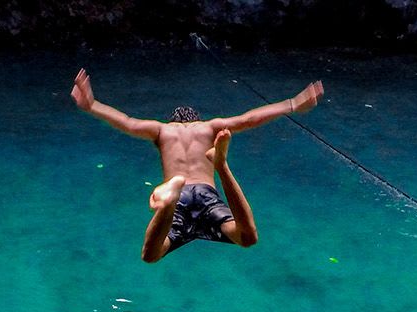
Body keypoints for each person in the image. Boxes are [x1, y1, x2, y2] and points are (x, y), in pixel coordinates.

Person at [71, 68, 324, 262]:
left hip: (179, 196)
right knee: (247, 238)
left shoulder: (161, 130)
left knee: (151, 255)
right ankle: (220, 164)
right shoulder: (209, 127)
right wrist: (291, 104)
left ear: (172, 121)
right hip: (206, 195)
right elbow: (249, 119)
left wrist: (92, 105)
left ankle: (168, 202)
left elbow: (126, 122)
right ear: (196, 119)